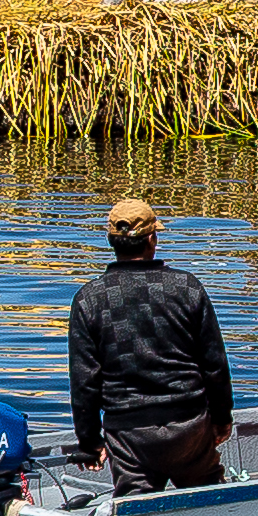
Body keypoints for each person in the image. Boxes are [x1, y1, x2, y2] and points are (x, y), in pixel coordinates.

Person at [66, 197, 233, 491]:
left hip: (129, 434)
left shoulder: (88, 300)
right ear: (152, 239)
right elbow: (214, 364)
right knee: (208, 503)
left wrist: (90, 441)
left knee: (135, 510)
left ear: (111, 241)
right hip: (189, 426)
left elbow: (84, 382)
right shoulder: (187, 287)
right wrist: (221, 420)